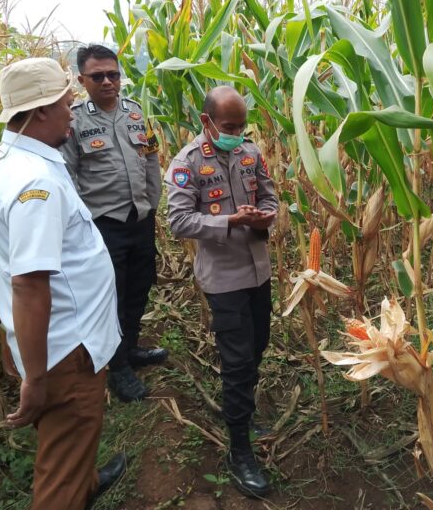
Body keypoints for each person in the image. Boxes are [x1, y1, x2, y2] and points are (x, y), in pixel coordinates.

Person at [0, 57, 126, 510]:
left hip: (50, 344)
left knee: (70, 439)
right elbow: (31, 284)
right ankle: (73, 487)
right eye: (65, 103)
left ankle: (87, 479)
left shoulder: (3, 160)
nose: (72, 112)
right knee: (60, 468)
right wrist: (36, 378)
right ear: (40, 112)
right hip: (64, 353)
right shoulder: (34, 182)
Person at [166, 86, 278, 498]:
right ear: (206, 121)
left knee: (258, 346)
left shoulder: (250, 153)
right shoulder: (187, 163)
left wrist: (267, 217)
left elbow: (269, 195)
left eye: (241, 126)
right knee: (236, 361)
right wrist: (229, 221)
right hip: (223, 277)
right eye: (228, 126)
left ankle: (244, 415)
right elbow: (178, 221)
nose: (236, 132)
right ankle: (239, 449)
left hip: (258, 271)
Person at [60, 45, 167, 402]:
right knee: (111, 298)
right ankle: (117, 367)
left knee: (138, 289)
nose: (108, 81)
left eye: (113, 74)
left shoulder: (136, 113)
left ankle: (131, 348)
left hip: (140, 219)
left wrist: (153, 203)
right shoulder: (74, 121)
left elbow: (151, 158)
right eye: (98, 76)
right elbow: (68, 177)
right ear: (82, 80)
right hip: (103, 225)